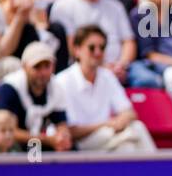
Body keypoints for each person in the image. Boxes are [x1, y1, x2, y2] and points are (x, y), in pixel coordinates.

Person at [52, 24, 156, 152]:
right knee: (132, 133)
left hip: (109, 136)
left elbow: (129, 113)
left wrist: (120, 121)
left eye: (102, 47)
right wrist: (107, 125)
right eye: (92, 48)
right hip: (81, 143)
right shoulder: (62, 81)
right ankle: (161, 170)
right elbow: (70, 131)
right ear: (77, 50)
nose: (98, 52)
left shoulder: (107, 76)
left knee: (130, 139)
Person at [49, 0, 136, 82]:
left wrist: (121, 64)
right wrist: (103, 68)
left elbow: (129, 42)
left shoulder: (116, 5)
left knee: (148, 80)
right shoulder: (63, 6)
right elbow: (72, 47)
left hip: (121, 70)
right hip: (82, 70)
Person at [0, 41, 73, 151]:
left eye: (47, 66)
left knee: (68, 149)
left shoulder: (56, 87)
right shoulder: (9, 88)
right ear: (24, 67)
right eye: (37, 67)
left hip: (38, 142)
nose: (43, 72)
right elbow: (6, 131)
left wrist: (62, 137)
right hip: (14, 145)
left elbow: (61, 124)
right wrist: (45, 139)